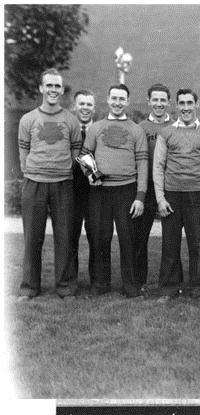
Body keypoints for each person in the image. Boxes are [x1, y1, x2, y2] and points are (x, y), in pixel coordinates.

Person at [18, 68, 81, 299]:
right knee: (32, 238)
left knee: (64, 238)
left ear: (62, 90)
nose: (54, 90)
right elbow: (23, 149)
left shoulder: (71, 120)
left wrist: (63, 168)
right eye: (49, 86)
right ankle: (29, 288)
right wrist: (32, 170)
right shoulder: (28, 119)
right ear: (41, 88)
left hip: (63, 184)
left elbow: (76, 150)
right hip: (34, 183)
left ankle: (65, 287)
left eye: (57, 86)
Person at [81, 83, 148, 298]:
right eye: (114, 98)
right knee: (100, 237)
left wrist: (140, 196)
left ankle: (130, 286)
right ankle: (100, 284)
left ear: (127, 102)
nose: (118, 103)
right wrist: (93, 175)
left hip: (126, 190)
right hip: (101, 191)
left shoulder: (136, 130)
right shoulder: (96, 127)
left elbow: (143, 164)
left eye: (122, 99)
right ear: (108, 100)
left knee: (128, 239)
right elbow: (84, 155)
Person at [153, 88, 200, 299]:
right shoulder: (166, 132)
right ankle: (169, 289)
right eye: (182, 103)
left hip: (197, 195)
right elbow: (158, 166)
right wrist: (160, 198)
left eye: (190, 103)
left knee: (198, 245)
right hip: (172, 195)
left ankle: (198, 290)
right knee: (170, 245)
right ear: (177, 106)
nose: (186, 107)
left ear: (196, 105)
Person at [136, 83, 173, 290]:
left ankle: (169, 283)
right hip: (147, 187)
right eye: (155, 100)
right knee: (140, 237)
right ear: (149, 101)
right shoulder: (140, 128)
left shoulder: (175, 126)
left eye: (163, 100)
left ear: (168, 102)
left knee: (171, 238)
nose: (159, 104)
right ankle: (139, 282)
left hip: (170, 188)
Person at [71, 89, 96, 286]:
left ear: (94, 107)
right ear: (75, 105)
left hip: (94, 193)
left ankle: (97, 282)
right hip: (70, 191)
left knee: (96, 236)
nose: (85, 108)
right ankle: (70, 282)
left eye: (89, 104)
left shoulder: (99, 130)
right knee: (70, 237)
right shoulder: (68, 128)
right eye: (82, 104)